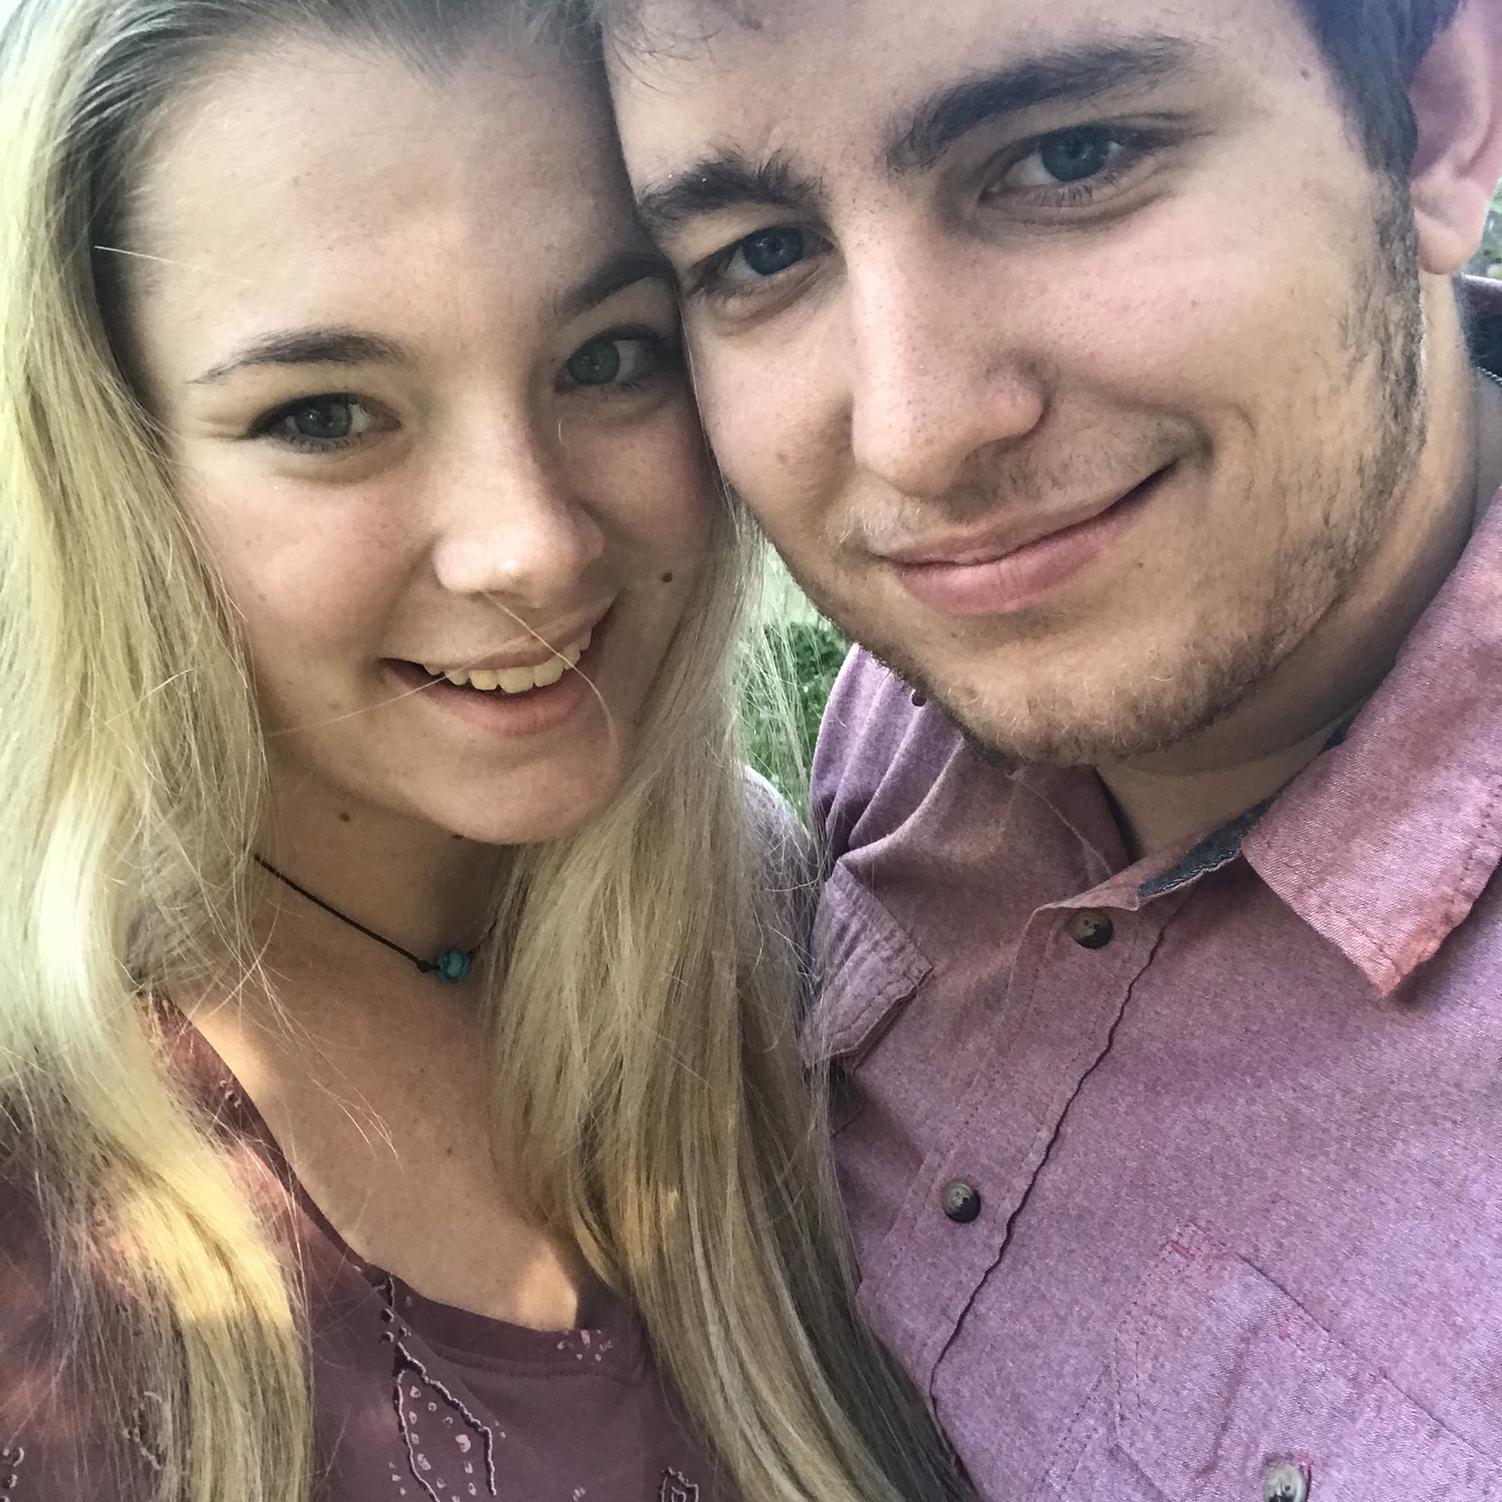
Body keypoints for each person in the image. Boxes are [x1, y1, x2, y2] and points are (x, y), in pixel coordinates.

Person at [0, 2, 973, 1500]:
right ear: (110, 462)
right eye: (328, 413)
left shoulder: (782, 921)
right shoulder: (42, 1169)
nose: (530, 543)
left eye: (609, 357)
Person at [550, 0, 1502, 1495]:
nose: (912, 436)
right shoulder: (948, 667)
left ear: (1440, 121)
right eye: (760, 253)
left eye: (1068, 158)